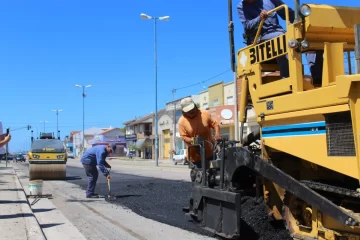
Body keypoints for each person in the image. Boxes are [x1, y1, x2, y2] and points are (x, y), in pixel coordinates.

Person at [238, 0, 323, 83]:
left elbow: (287, 13)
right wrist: (259, 18)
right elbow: (247, 27)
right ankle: (287, 78)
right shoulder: (241, 7)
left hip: (279, 32)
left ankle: (317, 78)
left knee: (308, 36)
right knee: (281, 39)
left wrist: (304, 21)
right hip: (261, 38)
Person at [178, 97, 221, 170]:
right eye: (188, 111)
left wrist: (217, 134)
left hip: (210, 152)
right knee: (199, 176)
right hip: (195, 156)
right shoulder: (182, 121)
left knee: (213, 173)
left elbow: (215, 124)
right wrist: (193, 140)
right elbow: (183, 137)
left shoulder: (204, 113)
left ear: (195, 106)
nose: (191, 111)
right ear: (184, 112)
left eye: (192, 109)